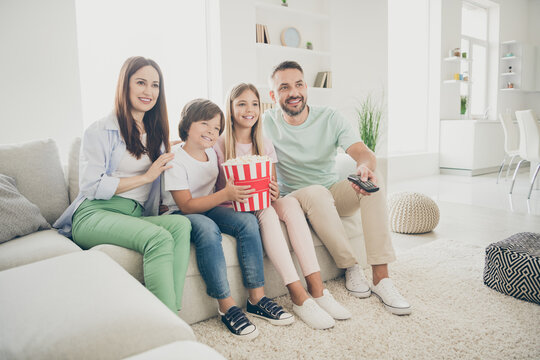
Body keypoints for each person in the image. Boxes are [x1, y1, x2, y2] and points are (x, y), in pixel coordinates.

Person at [262, 61, 411, 315]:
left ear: (306, 87)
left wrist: (364, 167)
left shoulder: (329, 117)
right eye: (284, 87)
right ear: (273, 95)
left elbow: (363, 153)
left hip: (330, 193)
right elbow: (231, 138)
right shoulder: (266, 122)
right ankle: (351, 266)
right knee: (316, 192)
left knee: (375, 179)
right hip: (295, 197)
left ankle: (381, 278)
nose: (294, 92)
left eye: (298, 84)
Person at [54, 56, 191, 314]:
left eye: (155, 85)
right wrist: (145, 177)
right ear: (125, 85)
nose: (148, 91)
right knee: (158, 238)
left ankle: (173, 315)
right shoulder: (99, 130)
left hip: (135, 214)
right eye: (141, 82)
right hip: (95, 213)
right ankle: (165, 322)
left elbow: (165, 176)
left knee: (181, 225)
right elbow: (91, 185)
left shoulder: (156, 134)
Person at [214, 83, 351, 330]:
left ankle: (317, 289)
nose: (249, 110)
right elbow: (211, 186)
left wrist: (274, 190)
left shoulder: (264, 143)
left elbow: (272, 185)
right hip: (232, 207)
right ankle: (297, 294)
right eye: (242, 104)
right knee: (266, 212)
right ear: (230, 108)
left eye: (254, 104)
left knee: (288, 203)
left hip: (260, 201)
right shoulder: (219, 144)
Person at [161, 98, 293, 340]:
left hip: (208, 205)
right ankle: (227, 306)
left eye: (216, 128)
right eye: (204, 125)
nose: (211, 132)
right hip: (180, 213)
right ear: (187, 124)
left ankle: (257, 298)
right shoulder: (175, 160)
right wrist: (225, 195)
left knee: (247, 221)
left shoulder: (212, 152)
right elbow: (186, 205)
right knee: (209, 230)